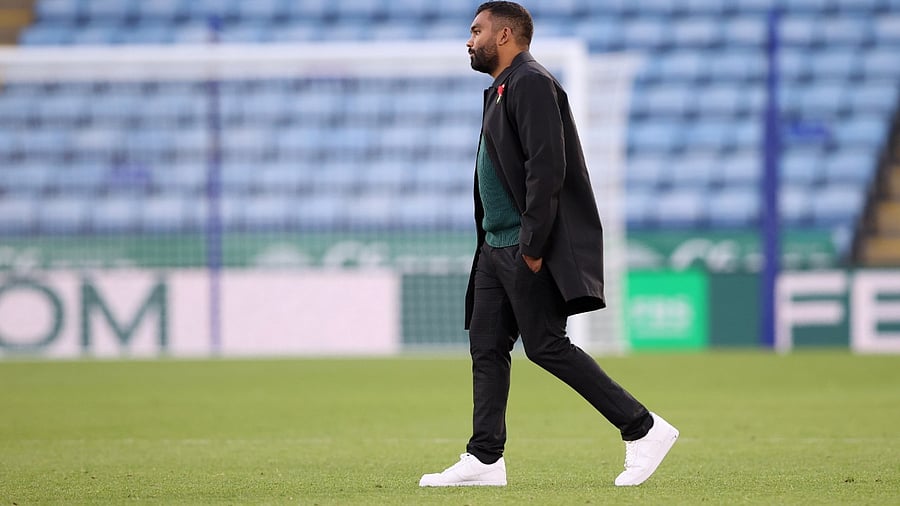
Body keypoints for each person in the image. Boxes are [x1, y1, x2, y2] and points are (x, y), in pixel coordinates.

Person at [418, 1, 678, 488]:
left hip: (522, 245)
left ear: (505, 35)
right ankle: (485, 458)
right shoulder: (499, 88)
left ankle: (644, 429)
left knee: (547, 347)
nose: (469, 39)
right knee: (487, 346)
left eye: (477, 30)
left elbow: (546, 167)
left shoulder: (531, 82)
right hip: (495, 246)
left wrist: (533, 245)